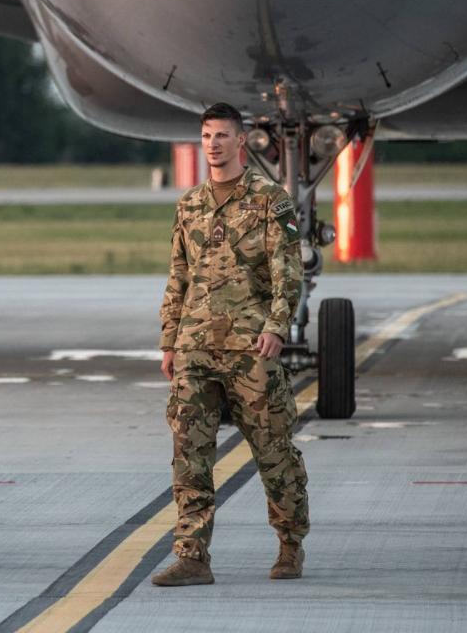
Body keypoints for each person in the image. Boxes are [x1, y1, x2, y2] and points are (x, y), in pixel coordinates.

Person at [153, 102, 310, 587]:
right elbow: (178, 276)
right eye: (206, 135)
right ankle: (192, 556)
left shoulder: (270, 199)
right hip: (195, 345)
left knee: (274, 449)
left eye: (222, 135)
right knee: (189, 453)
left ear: (241, 141)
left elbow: (288, 271)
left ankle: (290, 544)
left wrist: (278, 327)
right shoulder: (190, 204)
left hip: (250, 347)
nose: (214, 143)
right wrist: (169, 342)